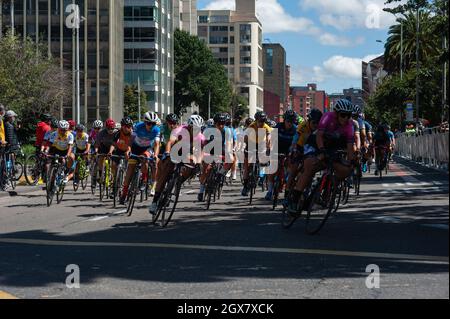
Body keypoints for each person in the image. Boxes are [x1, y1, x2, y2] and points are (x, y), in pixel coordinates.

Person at [286, 99, 355, 214]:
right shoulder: (328, 117)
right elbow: (319, 136)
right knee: (309, 167)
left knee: (346, 169)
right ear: (337, 113)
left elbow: (350, 147)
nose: (346, 118)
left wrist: (352, 161)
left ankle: (325, 189)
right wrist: (322, 152)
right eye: (343, 115)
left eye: (349, 115)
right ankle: (294, 199)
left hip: (331, 146)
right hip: (316, 143)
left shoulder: (349, 126)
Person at [148, 114, 206, 214]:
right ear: (189, 126)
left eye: (198, 129)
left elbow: (201, 151)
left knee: (193, 166)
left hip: (188, 153)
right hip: (175, 151)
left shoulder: (200, 137)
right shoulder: (179, 130)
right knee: (165, 173)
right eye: (194, 128)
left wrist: (198, 162)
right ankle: (155, 201)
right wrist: (166, 153)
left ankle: (178, 181)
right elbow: (170, 142)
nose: (196, 131)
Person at [120, 112, 161, 204]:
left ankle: (144, 179)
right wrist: (128, 150)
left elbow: (157, 144)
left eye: (153, 123)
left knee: (145, 158)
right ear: (145, 122)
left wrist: (156, 155)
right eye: (149, 123)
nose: (151, 126)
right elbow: (131, 140)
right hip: (135, 147)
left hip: (147, 148)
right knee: (130, 169)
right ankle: (124, 193)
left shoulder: (156, 130)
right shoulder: (138, 126)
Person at [286, 109, 323, 199]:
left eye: (317, 123)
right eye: (314, 122)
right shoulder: (302, 126)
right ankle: (287, 192)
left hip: (312, 148)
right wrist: (293, 150)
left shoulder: (320, 128)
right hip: (300, 145)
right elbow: (295, 140)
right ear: (309, 121)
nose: (315, 125)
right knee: (293, 170)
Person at [198, 113, 235, 202]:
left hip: (221, 148)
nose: (221, 126)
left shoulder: (227, 131)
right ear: (215, 123)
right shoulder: (208, 130)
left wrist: (229, 153)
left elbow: (229, 144)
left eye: (223, 123)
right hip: (209, 149)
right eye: (219, 124)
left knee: (232, 159)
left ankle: (220, 174)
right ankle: (201, 190)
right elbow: (204, 144)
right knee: (206, 170)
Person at [264, 110, 298, 201]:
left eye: (292, 121)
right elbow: (271, 137)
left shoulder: (295, 129)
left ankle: (286, 180)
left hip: (288, 149)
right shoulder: (279, 126)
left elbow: (296, 143)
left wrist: (292, 152)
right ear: (284, 120)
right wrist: (269, 148)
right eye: (288, 121)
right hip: (277, 148)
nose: (290, 123)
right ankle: (270, 190)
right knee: (272, 168)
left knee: (290, 167)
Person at [241, 111, 272, 197]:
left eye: (263, 121)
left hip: (261, 144)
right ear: (256, 121)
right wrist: (244, 146)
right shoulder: (252, 126)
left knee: (263, 159)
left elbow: (269, 138)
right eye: (260, 121)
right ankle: (245, 186)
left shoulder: (266, 127)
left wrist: (268, 147)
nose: (261, 123)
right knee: (247, 166)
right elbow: (245, 137)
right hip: (251, 143)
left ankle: (260, 175)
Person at [108, 117, 133, 193]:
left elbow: (132, 145)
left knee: (130, 168)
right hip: (119, 150)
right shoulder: (118, 133)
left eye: (128, 126)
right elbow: (113, 144)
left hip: (129, 151)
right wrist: (110, 152)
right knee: (114, 165)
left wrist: (128, 151)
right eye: (124, 126)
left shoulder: (132, 134)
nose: (126, 128)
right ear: (122, 126)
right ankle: (115, 182)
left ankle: (130, 184)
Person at [94, 118, 118, 184]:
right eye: (109, 128)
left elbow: (114, 144)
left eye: (112, 128)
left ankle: (114, 177)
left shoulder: (116, 132)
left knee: (114, 164)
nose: (110, 130)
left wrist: (110, 152)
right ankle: (101, 173)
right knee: (101, 158)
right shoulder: (101, 133)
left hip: (114, 148)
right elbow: (97, 144)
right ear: (106, 127)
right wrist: (96, 151)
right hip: (104, 147)